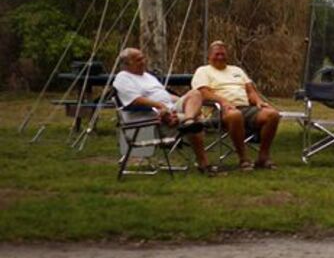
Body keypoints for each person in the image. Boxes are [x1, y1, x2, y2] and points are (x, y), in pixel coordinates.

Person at [113, 47, 215, 175]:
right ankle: (203, 163)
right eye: (139, 60)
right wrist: (161, 107)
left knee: (195, 93)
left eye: (143, 58)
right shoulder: (123, 78)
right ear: (127, 64)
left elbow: (166, 96)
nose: (144, 61)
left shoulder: (148, 76)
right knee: (196, 120)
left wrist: (186, 101)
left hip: (169, 109)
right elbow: (135, 101)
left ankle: (188, 122)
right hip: (151, 118)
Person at [192, 41, 280, 170]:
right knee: (235, 115)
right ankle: (243, 159)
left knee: (272, 114)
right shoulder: (203, 71)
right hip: (213, 109)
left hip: (243, 107)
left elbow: (250, 91)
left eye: (223, 54)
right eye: (217, 54)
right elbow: (203, 93)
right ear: (209, 56)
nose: (220, 57)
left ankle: (263, 157)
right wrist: (223, 102)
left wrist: (258, 101)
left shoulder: (237, 70)